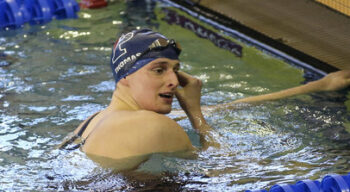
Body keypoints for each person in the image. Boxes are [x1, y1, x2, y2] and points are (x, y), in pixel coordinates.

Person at [59, 28, 350, 171]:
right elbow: (228, 170)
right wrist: (198, 120)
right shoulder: (151, 126)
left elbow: (224, 108)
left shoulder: (91, 122)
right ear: (125, 77)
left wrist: (316, 87)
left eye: (175, 70)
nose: (173, 81)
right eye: (158, 70)